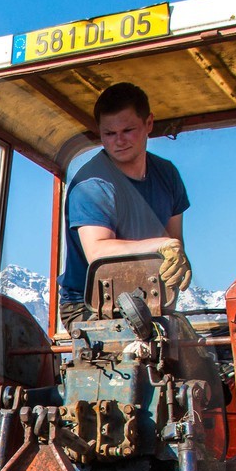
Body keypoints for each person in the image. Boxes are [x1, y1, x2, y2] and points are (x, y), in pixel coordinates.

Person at [59, 82, 193, 332]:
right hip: (90, 306)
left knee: (199, 356)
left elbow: (174, 242)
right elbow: (97, 250)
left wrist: (178, 258)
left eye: (128, 130)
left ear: (148, 124)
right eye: (109, 134)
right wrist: (161, 246)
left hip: (148, 299)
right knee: (142, 360)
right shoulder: (92, 185)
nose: (119, 141)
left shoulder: (167, 175)